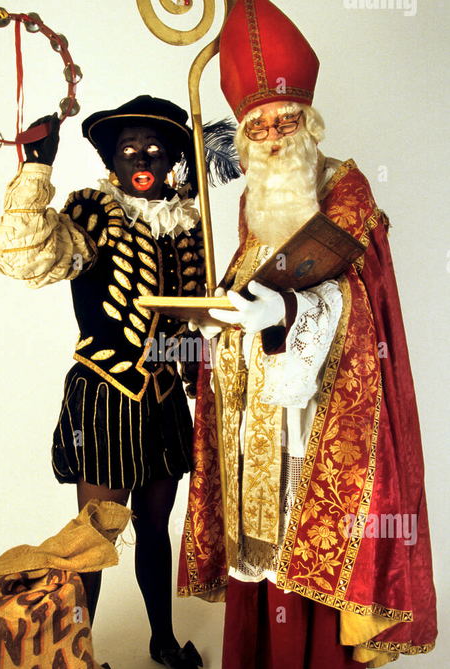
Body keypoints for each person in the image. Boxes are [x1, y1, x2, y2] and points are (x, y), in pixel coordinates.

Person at [178, 1, 437, 668]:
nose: (270, 136)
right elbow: (246, 284)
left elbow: (362, 301)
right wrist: (222, 322)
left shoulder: (348, 195)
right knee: (258, 552)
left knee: (312, 552)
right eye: (257, 126)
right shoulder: (250, 204)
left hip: (323, 418)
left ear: (309, 125)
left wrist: (288, 316)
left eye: (283, 121)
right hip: (256, 422)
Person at [0, 95, 205, 669]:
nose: (143, 155)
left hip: (164, 400)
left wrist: (197, 369)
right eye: (129, 147)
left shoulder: (189, 226)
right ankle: (79, 654)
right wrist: (37, 168)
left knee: (156, 528)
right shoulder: (95, 214)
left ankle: (162, 641)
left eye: (155, 148)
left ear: (171, 161)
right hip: (106, 397)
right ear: (112, 158)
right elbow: (24, 258)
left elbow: (187, 326)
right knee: (95, 536)